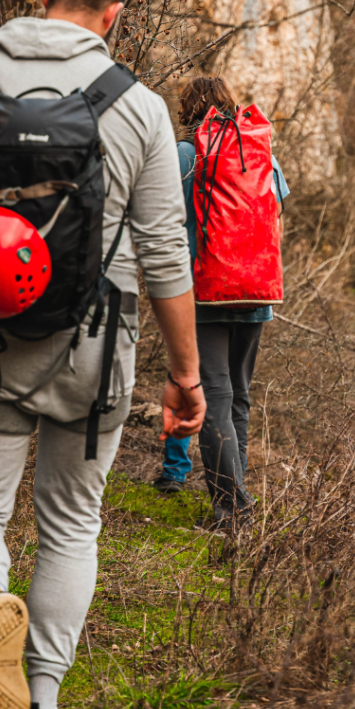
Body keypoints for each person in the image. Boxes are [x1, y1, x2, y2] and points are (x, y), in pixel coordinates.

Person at [0, 0, 205, 709]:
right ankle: (39, 707)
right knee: (72, 523)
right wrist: (186, 375)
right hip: (97, 350)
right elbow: (167, 252)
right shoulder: (138, 105)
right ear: (116, 14)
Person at [152, 78, 289, 532]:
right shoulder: (258, 149)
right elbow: (277, 217)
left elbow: (157, 217)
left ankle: (233, 509)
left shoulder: (184, 155)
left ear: (188, 112)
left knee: (214, 395)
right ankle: (234, 502)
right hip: (256, 290)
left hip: (205, 291)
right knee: (239, 398)